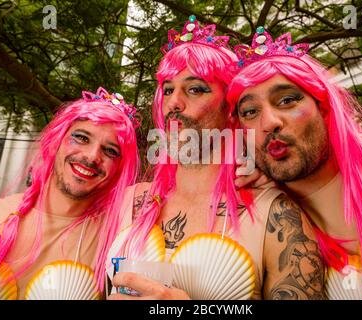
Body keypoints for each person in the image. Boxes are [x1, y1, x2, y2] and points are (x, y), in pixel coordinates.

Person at [108, 17, 325, 300]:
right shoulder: (129, 201)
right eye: (168, 89)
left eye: (196, 89)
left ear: (230, 109)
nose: (173, 103)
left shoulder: (275, 214)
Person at [227, 28, 362, 299]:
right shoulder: (262, 216)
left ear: (323, 106)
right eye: (250, 112)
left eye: (287, 100)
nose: (269, 122)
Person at [0, 87, 140, 299]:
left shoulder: (115, 247)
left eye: (110, 151)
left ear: (118, 168)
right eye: (81, 137)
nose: (91, 157)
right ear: (56, 142)